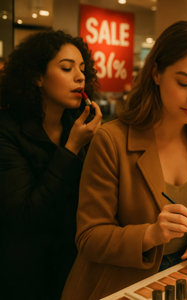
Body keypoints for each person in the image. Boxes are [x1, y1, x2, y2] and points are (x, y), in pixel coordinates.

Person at [61, 21, 187, 299]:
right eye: (184, 83)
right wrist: (151, 234)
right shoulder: (112, 140)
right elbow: (89, 238)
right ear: (156, 73)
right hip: (121, 285)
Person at [0, 30, 102, 299]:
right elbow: (26, 215)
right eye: (66, 68)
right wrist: (72, 149)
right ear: (37, 76)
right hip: (25, 274)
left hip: (72, 264)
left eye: (82, 68)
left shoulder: (77, 124)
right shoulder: (7, 130)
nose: (79, 76)